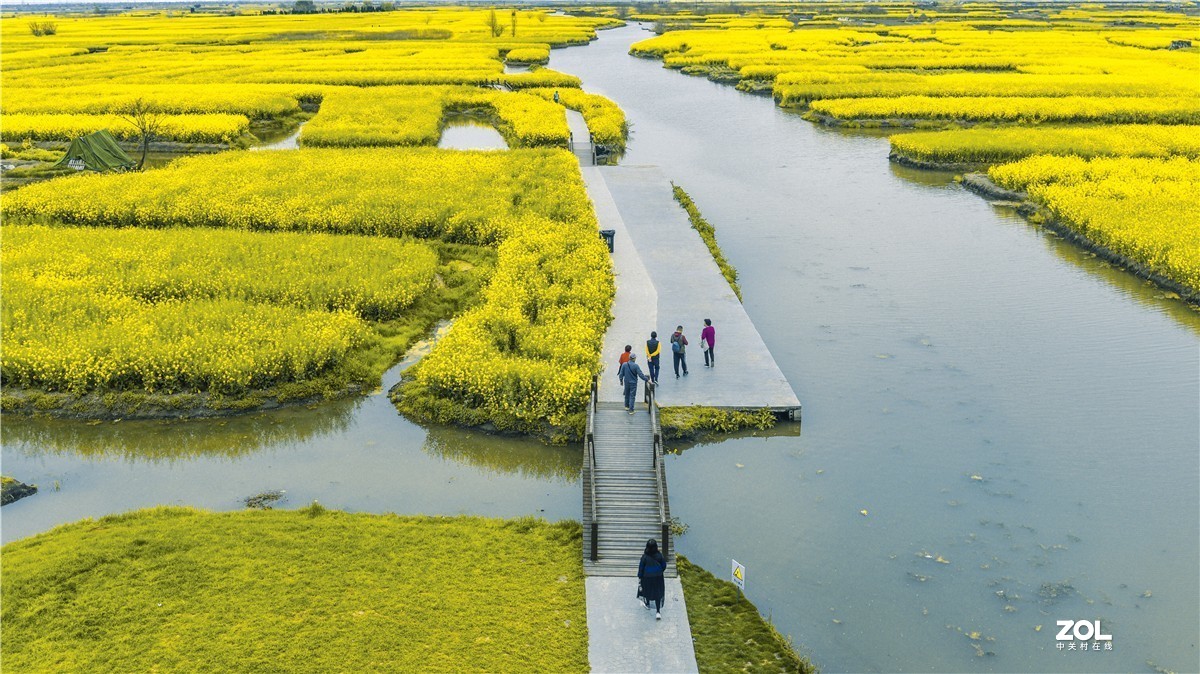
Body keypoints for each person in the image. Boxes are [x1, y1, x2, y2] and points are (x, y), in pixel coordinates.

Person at [637, 538, 667, 620]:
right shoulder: (659, 555)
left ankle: (647, 604)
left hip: (647, 578)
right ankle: (658, 612)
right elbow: (664, 566)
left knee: (646, 590)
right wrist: (659, 572)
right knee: (657, 593)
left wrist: (640, 577)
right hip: (658, 577)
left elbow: (641, 568)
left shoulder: (644, 557)